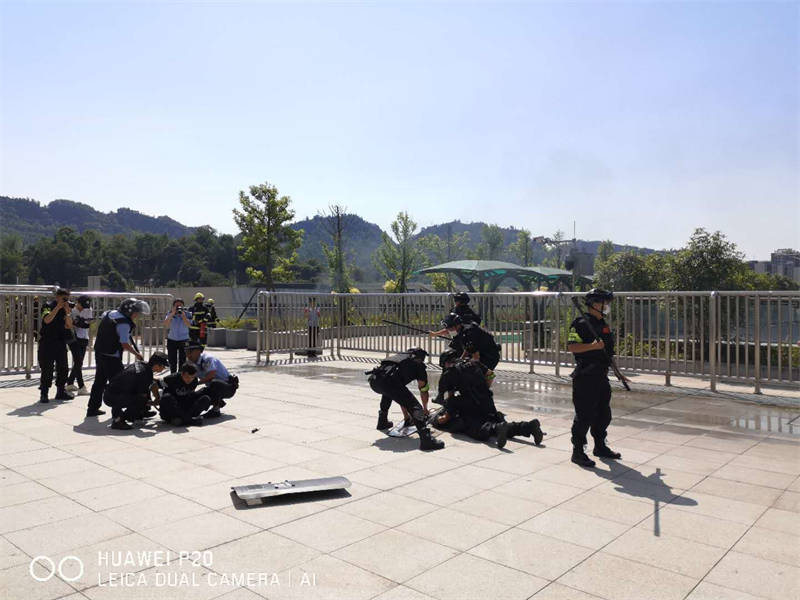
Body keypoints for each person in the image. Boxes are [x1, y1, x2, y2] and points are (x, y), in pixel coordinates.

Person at [567, 288, 629, 468]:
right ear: (594, 304)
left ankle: (600, 446)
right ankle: (578, 452)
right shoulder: (580, 323)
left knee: (603, 414)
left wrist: (618, 372)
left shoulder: (603, 324)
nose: (607, 306)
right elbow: (572, 347)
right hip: (585, 377)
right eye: (604, 303)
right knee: (584, 415)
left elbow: (607, 353)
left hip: (601, 376)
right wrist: (592, 346)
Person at [435, 350, 543, 447]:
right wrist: (484, 389)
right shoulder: (473, 362)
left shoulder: (448, 374)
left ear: (445, 363)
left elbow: (451, 399)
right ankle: (528, 426)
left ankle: (497, 428)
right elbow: (491, 375)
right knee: (496, 422)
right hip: (487, 400)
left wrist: (444, 417)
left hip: (472, 404)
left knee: (475, 428)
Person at [366, 348, 444, 451]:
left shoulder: (398, 358)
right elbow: (423, 389)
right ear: (421, 357)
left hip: (375, 381)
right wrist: (424, 410)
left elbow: (400, 396)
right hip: (389, 382)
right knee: (415, 407)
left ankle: (382, 421)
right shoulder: (418, 365)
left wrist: (407, 416)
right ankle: (426, 440)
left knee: (389, 393)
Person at [87, 298, 150, 418]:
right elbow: (124, 344)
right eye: (136, 313)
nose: (137, 315)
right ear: (129, 311)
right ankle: (118, 415)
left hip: (100, 352)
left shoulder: (110, 314)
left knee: (99, 382)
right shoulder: (124, 323)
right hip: (112, 357)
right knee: (119, 384)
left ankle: (92, 408)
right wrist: (137, 354)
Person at [103, 351, 169, 430]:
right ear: (156, 365)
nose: (163, 369)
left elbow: (152, 383)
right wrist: (154, 403)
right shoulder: (143, 374)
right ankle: (118, 421)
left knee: (143, 391)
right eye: (163, 366)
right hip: (112, 397)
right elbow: (142, 397)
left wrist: (157, 396)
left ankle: (139, 413)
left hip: (112, 392)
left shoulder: (143, 365)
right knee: (141, 399)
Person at [438, 313, 501, 388]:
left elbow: (476, 358)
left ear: (457, 326)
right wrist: (461, 359)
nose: (448, 330)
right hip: (480, 352)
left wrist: (461, 363)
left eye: (449, 328)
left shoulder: (469, 333)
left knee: (477, 379)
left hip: (489, 356)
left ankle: (484, 389)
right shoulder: (461, 330)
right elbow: (467, 348)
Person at [37, 288, 74, 403]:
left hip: (60, 342)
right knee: (47, 369)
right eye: (64, 298)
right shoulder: (47, 306)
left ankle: (60, 391)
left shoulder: (66, 309)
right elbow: (47, 320)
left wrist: (67, 312)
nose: (66, 301)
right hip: (47, 342)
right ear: (57, 297)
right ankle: (44, 393)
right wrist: (57, 307)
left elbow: (69, 326)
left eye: (67, 299)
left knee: (63, 368)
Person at [184, 342, 238, 418]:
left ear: (198, 351)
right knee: (195, 396)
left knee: (214, 383)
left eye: (190, 352)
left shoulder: (208, 359)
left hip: (228, 387)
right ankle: (216, 402)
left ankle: (216, 410)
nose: (188, 355)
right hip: (211, 388)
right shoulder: (190, 362)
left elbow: (211, 375)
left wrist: (196, 383)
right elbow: (188, 377)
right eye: (186, 352)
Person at [65, 295, 93, 396]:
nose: (83, 308)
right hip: (74, 338)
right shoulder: (72, 310)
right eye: (82, 305)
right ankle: (81, 387)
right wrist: (78, 322)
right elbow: (70, 324)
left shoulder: (88, 309)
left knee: (79, 362)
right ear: (78, 303)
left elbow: (86, 324)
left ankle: (70, 383)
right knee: (78, 362)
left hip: (84, 337)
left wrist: (78, 322)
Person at [163, 298, 191, 373]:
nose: (179, 307)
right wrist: (172, 314)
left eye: (180, 306)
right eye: (177, 306)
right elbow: (165, 324)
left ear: (183, 306)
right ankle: (173, 375)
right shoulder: (170, 313)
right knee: (172, 360)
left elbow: (189, 325)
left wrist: (183, 316)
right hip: (172, 339)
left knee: (183, 360)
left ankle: (180, 375)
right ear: (173, 306)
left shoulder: (188, 314)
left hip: (184, 339)